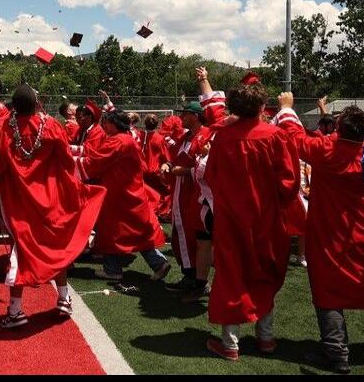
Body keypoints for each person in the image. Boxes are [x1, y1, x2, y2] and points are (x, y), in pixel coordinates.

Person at [276, 93, 364, 375]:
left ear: (339, 127)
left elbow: (294, 138)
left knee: (328, 289)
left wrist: (286, 109)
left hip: (329, 234)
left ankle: (336, 354)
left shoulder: (326, 151)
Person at [0, 84, 104, 327]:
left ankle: (16, 310)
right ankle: (63, 297)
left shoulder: (3, 130)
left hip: (18, 201)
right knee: (57, 247)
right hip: (50, 198)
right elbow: (65, 161)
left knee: (21, 251)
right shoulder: (50, 126)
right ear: (36, 103)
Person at [203, 81, 299, 361]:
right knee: (266, 272)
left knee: (231, 274)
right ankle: (266, 337)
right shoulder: (276, 136)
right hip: (267, 219)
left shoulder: (223, 137)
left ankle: (230, 342)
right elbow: (290, 183)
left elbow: (211, 177)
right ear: (261, 107)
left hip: (232, 219)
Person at [75, 110, 170, 283]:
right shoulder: (127, 138)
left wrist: (68, 164)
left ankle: (119, 268)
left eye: (107, 122)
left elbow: (96, 161)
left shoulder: (118, 141)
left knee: (114, 231)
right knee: (134, 233)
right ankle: (156, 263)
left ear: (114, 123)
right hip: (127, 192)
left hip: (121, 195)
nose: (104, 125)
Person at [160, 67, 224, 302]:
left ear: (196, 116)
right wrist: (168, 164)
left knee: (198, 238)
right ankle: (192, 277)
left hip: (197, 194)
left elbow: (206, 165)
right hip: (180, 193)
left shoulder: (207, 134)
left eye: (185, 113)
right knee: (183, 235)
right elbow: (174, 155)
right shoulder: (185, 136)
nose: (181, 117)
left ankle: (198, 280)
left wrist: (184, 170)